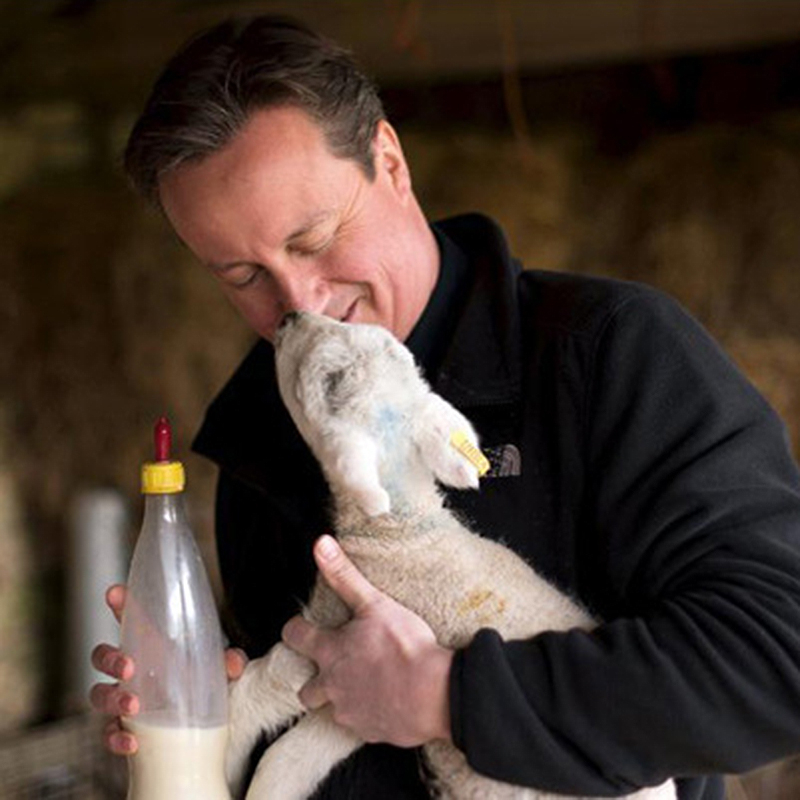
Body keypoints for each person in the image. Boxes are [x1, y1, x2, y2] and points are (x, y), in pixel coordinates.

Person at [90, 15, 800, 800]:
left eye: (314, 237)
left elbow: (777, 660)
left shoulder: (611, 355)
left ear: (390, 163)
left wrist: (444, 697)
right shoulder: (257, 437)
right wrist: (198, 710)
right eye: (241, 275)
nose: (301, 303)